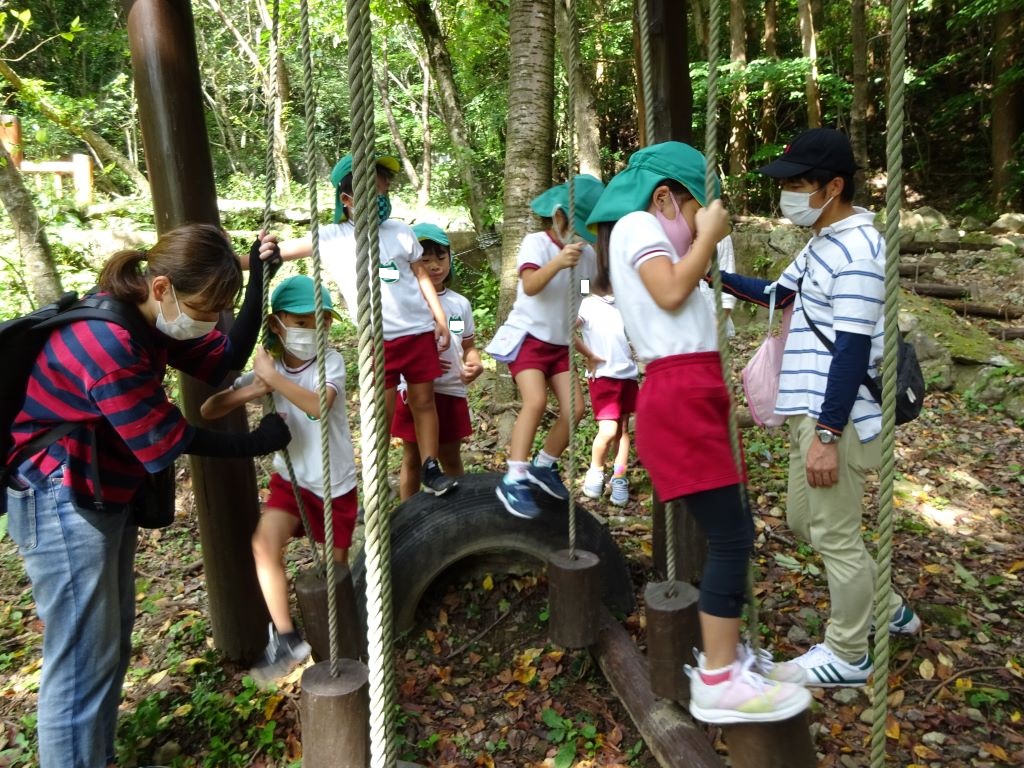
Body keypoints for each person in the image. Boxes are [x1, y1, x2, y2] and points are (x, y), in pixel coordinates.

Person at [4, 223, 291, 768]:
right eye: (204, 309)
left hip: (97, 490)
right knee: (82, 660)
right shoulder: (109, 342)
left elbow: (222, 355)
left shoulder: (145, 315)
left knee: (109, 642)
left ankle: (96, 756)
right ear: (162, 288)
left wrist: (258, 280)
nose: (207, 322)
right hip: (59, 497)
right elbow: (166, 440)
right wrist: (254, 443)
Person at [586, 141, 810, 725]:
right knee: (733, 539)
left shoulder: (652, 233)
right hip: (679, 397)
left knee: (732, 534)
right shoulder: (638, 224)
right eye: (694, 213)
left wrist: (707, 244)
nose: (698, 228)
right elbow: (669, 289)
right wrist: (707, 236)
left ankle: (725, 660)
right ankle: (718, 677)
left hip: (693, 395)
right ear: (666, 199)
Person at [719, 128, 920, 687]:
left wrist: (827, 434)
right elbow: (780, 296)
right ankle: (890, 608)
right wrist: (717, 280)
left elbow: (854, 347)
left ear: (835, 186)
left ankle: (849, 654)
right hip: (812, 408)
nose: (789, 194)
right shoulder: (823, 243)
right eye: (786, 184)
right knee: (804, 520)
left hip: (840, 415)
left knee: (833, 534)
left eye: (800, 184)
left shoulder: (859, 249)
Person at [266, 153, 457, 496]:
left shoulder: (399, 231)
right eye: (373, 194)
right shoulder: (333, 236)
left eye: (384, 193)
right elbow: (281, 252)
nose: (381, 201)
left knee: (423, 401)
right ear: (347, 200)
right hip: (377, 340)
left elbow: (418, 273)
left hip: (416, 333)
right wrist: (240, 258)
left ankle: (430, 466)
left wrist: (439, 318)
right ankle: (373, 476)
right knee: (379, 411)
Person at [201, 274, 359, 681]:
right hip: (290, 481)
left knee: (334, 572)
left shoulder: (331, 361)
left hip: (334, 483)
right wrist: (250, 391)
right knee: (263, 545)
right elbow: (209, 410)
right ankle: (286, 637)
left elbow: (318, 406)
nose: (312, 330)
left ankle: (345, 642)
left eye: (319, 321)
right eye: (301, 321)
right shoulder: (268, 368)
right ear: (277, 324)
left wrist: (273, 381)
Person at [486, 174, 605, 520]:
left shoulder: (586, 256)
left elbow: (586, 288)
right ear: (559, 218)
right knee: (535, 401)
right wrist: (558, 262)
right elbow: (532, 285)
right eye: (580, 226)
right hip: (528, 339)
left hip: (560, 343)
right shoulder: (536, 243)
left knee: (576, 409)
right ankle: (514, 477)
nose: (584, 234)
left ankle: (543, 466)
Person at [391, 223, 483, 500]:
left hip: (451, 389)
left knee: (451, 458)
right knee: (411, 458)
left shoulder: (460, 304)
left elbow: (468, 345)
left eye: (440, 257)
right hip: (414, 391)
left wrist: (475, 363)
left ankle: (459, 515)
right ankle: (406, 516)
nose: (434, 265)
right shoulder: (405, 302)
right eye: (425, 259)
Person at [575, 288, 639, 506]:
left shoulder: (623, 302)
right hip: (603, 376)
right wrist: (588, 354)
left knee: (622, 430)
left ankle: (619, 476)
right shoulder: (588, 304)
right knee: (608, 430)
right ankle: (596, 469)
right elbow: (565, 329)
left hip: (627, 374)